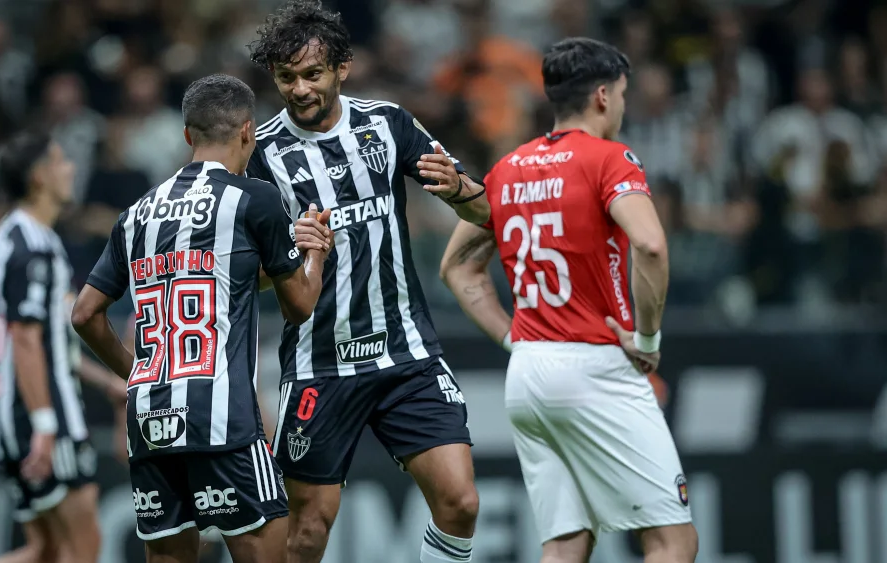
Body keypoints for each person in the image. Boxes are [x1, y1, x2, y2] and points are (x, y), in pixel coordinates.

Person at [439, 38, 699, 563]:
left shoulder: (508, 169)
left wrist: (516, 339)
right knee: (674, 541)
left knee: (565, 544)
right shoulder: (611, 160)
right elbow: (649, 243)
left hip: (530, 374)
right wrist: (647, 337)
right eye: (622, 95)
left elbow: (457, 268)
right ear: (603, 96)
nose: (623, 106)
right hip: (595, 365)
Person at [246, 2, 489, 562]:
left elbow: (483, 215)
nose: (301, 89)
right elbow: (245, 279)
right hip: (319, 364)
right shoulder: (260, 154)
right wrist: (290, 255)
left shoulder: (387, 123)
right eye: (287, 77)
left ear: (342, 68)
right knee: (306, 533)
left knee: (461, 503)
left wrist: (457, 189)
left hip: (407, 353)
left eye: (313, 74)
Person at [70, 73, 333, 563]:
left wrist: (137, 374)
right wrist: (314, 253)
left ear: (187, 135)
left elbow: (85, 314)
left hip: (151, 418)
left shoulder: (137, 213)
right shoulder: (253, 198)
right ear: (249, 132)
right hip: (223, 422)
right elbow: (300, 305)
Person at [0, 131, 103, 563]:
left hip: (10, 415)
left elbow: (54, 337)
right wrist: (46, 426)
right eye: (59, 160)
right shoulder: (31, 248)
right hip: (43, 418)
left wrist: (109, 382)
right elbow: (26, 339)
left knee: (46, 549)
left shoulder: (17, 237)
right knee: (83, 547)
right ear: (38, 177)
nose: (69, 167)